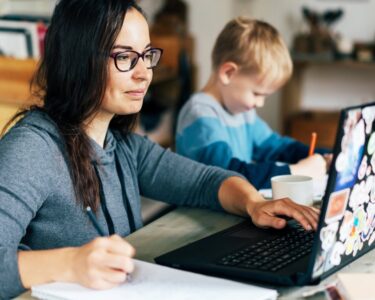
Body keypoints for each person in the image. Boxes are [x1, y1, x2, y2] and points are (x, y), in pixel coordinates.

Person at [0, 1, 319, 298]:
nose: (144, 73)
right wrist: (71, 263)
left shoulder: (123, 146)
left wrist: (252, 203)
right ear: (78, 59)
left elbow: (204, 181)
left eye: (146, 55)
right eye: (124, 57)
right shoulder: (32, 149)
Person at [176, 17, 331, 190]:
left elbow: (276, 147)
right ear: (228, 73)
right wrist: (295, 171)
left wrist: (324, 156)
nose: (260, 103)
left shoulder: (242, 111)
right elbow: (231, 176)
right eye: (257, 93)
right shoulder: (200, 115)